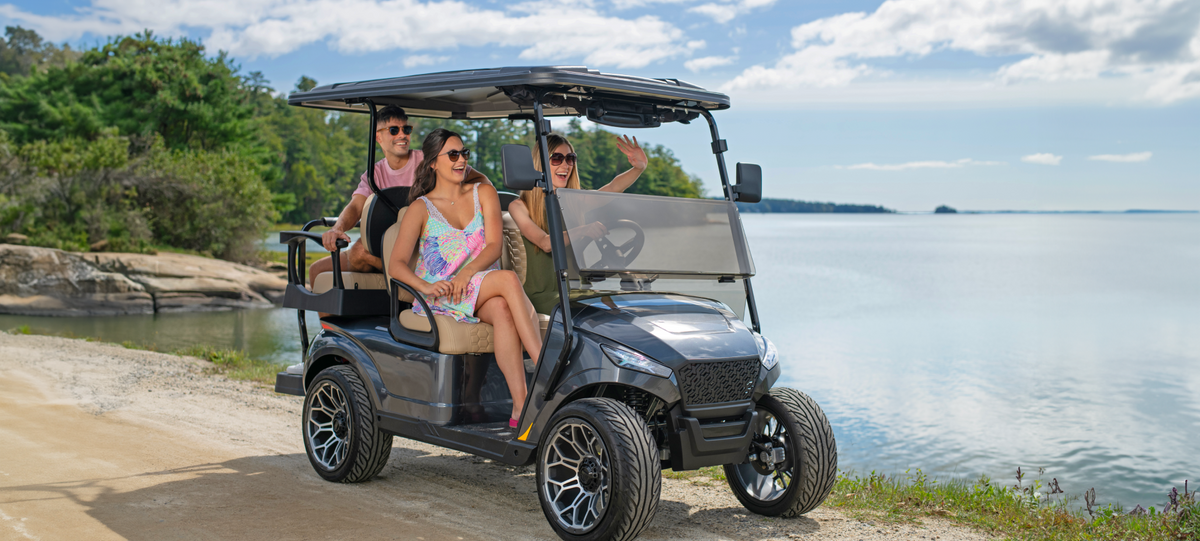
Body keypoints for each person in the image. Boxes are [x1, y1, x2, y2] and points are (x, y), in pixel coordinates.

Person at [389, 128, 543, 427]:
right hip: (442, 294)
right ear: (433, 162)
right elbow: (396, 265)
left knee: (502, 309)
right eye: (453, 155)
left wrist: (467, 273)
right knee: (509, 280)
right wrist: (427, 287)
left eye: (464, 154)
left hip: (475, 284)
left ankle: (520, 408)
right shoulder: (420, 208)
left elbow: (494, 246)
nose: (461, 160)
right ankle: (546, 372)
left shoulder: (483, 193)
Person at [307, 105, 487, 287]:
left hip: (424, 245)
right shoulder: (374, 173)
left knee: (360, 251)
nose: (402, 135)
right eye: (394, 130)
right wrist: (337, 228)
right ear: (378, 137)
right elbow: (356, 206)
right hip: (386, 243)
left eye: (406, 130)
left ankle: (410, 278)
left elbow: (481, 180)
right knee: (317, 270)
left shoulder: (429, 162)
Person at [507, 133, 648, 315]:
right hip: (546, 294)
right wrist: (583, 230)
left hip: (578, 291)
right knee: (610, 315)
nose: (566, 165)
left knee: (632, 310)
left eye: (570, 159)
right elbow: (545, 243)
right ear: (539, 163)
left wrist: (638, 168)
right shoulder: (519, 206)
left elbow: (613, 188)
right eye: (557, 158)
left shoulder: (574, 200)